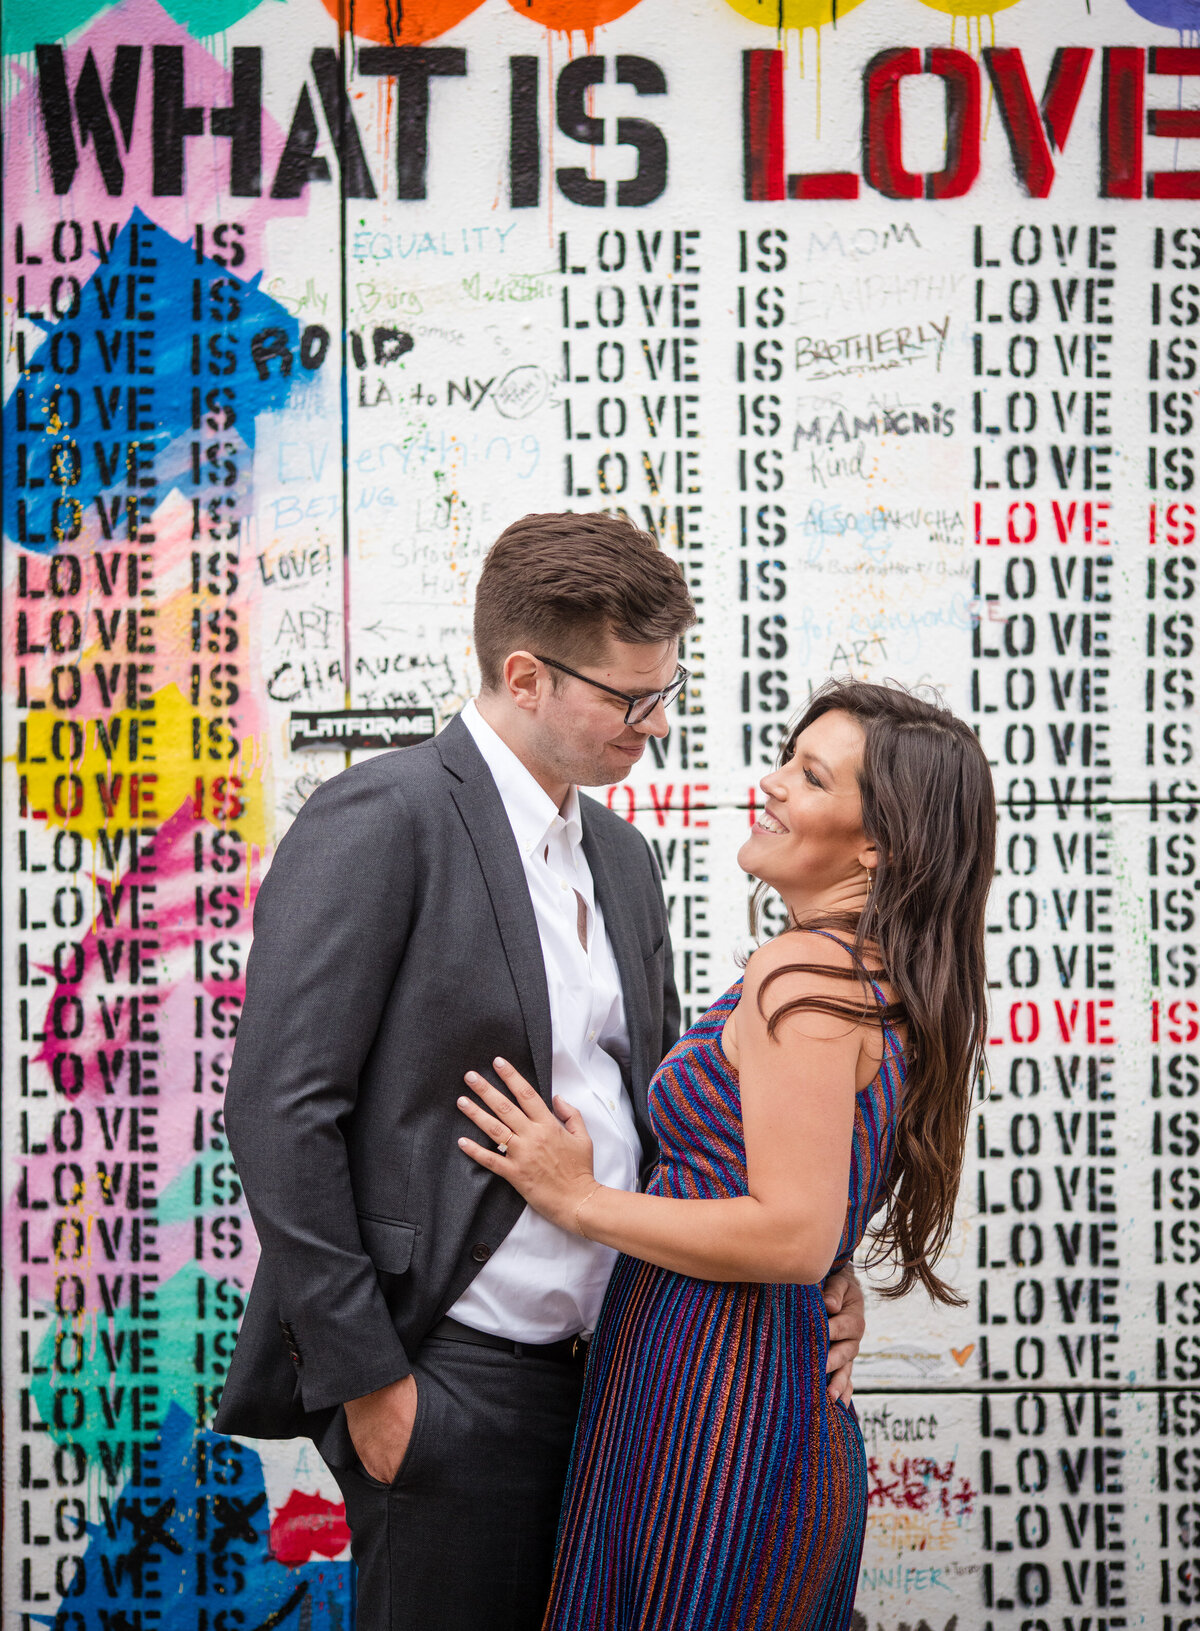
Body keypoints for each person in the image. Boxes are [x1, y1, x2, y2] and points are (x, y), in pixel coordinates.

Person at [215, 512, 867, 1631]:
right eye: (631, 698)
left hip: (623, 1386)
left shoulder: (621, 854)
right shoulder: (386, 816)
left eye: (665, 691)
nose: (654, 725)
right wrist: (373, 1383)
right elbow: (280, 1114)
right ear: (525, 675)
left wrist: (808, 1272)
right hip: (451, 1389)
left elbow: (658, 1118)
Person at [457, 679, 996, 1631]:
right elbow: (813, 1212)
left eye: (810, 776)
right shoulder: (870, 974)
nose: (773, 784)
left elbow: (790, 1232)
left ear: (878, 844)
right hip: (744, 1379)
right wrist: (832, 1272)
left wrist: (576, 1199)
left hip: (719, 1397)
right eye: (788, 759)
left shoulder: (808, 972)